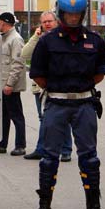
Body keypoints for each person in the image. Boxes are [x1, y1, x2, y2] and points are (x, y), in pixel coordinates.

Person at [29, 0, 105, 209]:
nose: (73, 18)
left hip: (84, 103)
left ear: (83, 14)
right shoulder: (47, 41)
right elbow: (38, 75)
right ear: (61, 13)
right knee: (49, 158)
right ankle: (44, 208)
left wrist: (79, 90)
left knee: (89, 157)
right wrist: (61, 90)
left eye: (77, 15)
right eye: (69, 14)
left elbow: (99, 73)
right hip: (57, 103)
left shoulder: (95, 41)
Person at [22, 11, 73, 162]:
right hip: (40, 87)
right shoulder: (39, 40)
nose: (47, 24)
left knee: (62, 118)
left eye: (50, 21)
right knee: (43, 119)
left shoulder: (62, 38)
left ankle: (66, 150)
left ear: (56, 22)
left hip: (59, 87)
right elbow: (24, 54)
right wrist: (35, 36)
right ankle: (41, 149)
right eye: (44, 22)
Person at [0, 12, 27, 156]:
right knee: (2, 116)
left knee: (16, 116)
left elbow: (18, 64)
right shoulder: (4, 38)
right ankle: (1, 144)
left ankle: (20, 145)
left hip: (10, 87)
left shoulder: (15, 39)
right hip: (2, 86)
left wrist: (10, 84)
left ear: (4, 23)